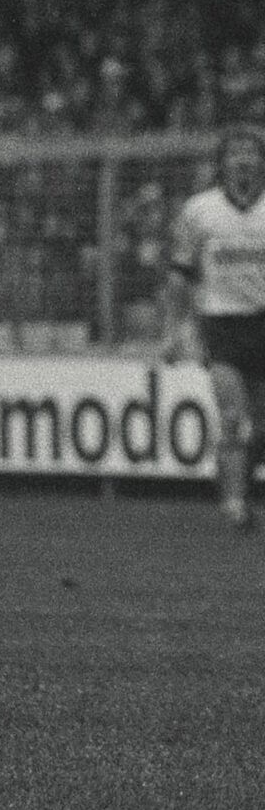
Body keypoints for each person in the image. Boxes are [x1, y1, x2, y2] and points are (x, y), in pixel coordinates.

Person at [165, 123, 265, 531]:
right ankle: (234, 503)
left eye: (251, 152)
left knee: (260, 426)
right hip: (221, 325)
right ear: (221, 164)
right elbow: (179, 275)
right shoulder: (199, 210)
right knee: (232, 416)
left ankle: (233, 477)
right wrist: (175, 331)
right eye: (235, 153)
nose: (243, 160)